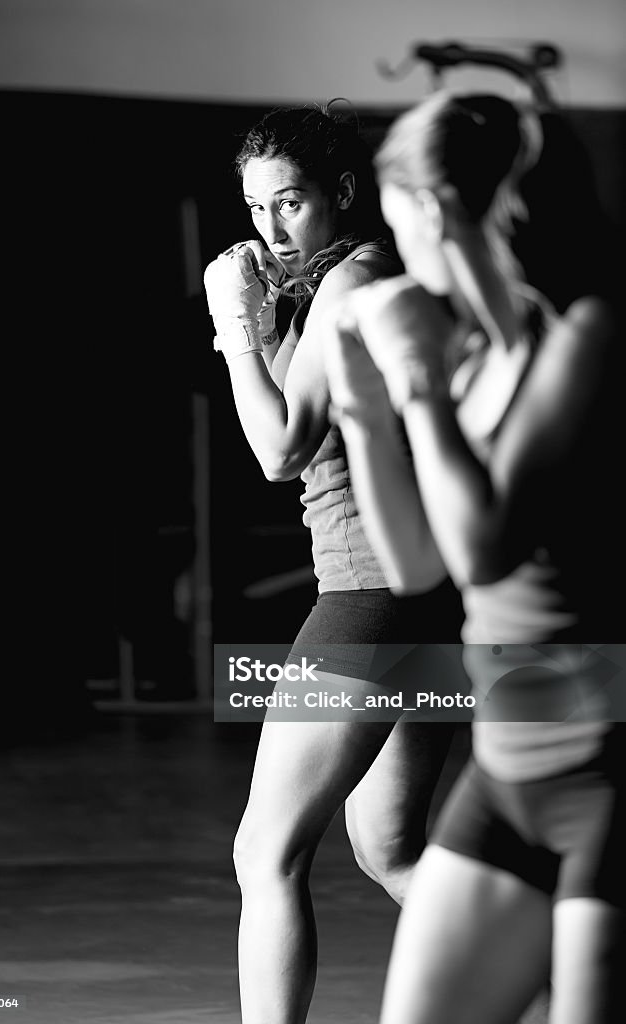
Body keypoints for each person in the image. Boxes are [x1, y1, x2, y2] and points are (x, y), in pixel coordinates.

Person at [323, 90, 625, 1024]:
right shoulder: (477, 355)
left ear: (435, 210)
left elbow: (485, 549)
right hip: (507, 770)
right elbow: (417, 566)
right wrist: (363, 401)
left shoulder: (586, 334)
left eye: (395, 214)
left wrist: (412, 384)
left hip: (609, 771)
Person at [203, 104, 465, 1024]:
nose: (269, 228)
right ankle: (572, 982)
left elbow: (278, 451)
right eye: (254, 208)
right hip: (423, 600)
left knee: (262, 852)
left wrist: (234, 328)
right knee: (388, 846)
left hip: (368, 593)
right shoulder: (332, 280)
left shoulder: (351, 280)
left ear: (341, 194)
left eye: (290, 203)